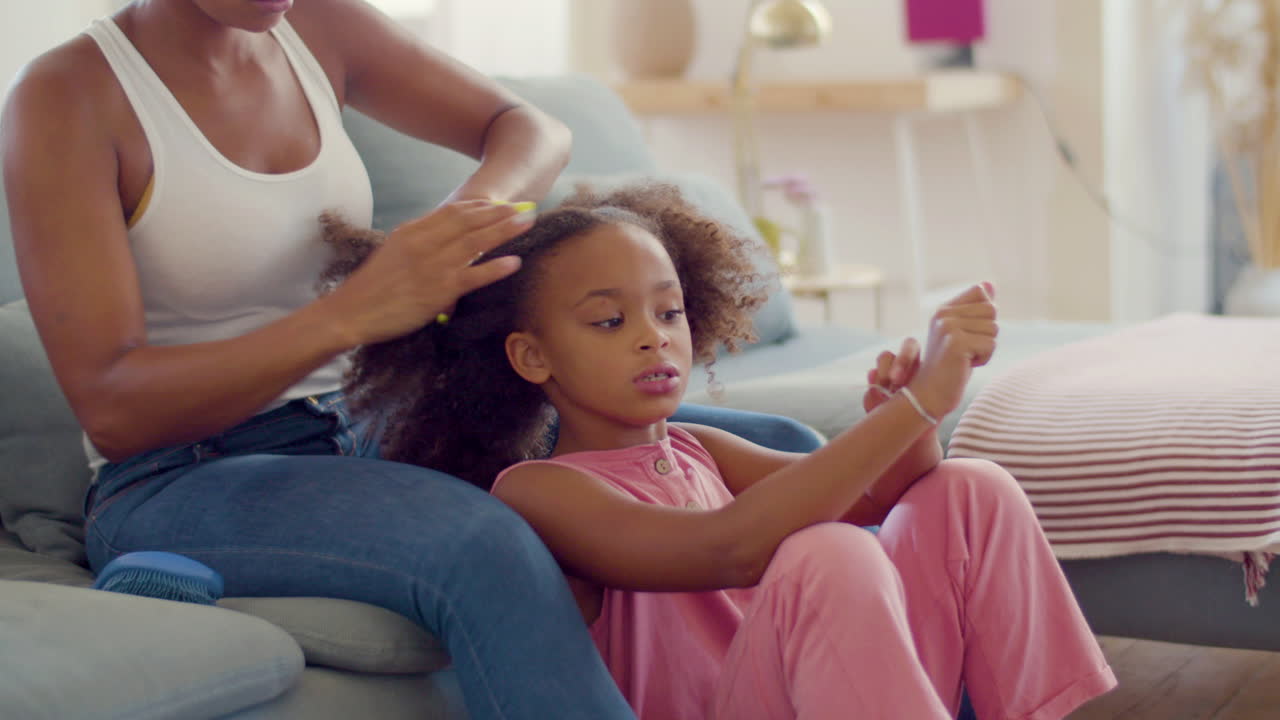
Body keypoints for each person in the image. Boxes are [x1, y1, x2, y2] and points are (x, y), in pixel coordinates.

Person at [0, 2, 819, 717]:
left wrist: (459, 225)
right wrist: (350, 313)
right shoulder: (69, 97)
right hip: (189, 473)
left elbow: (532, 128)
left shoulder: (317, 26)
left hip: (377, 426)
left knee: (778, 447)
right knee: (486, 546)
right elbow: (114, 405)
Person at [323, 182, 1120, 720]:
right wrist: (919, 405)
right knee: (827, 557)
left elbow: (878, 500)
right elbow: (730, 548)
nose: (651, 337)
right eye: (610, 322)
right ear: (534, 359)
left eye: (668, 313)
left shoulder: (699, 449)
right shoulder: (539, 491)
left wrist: (902, 422)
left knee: (969, 487)